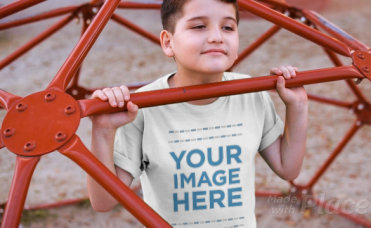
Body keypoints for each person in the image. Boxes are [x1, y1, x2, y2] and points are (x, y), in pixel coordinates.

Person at [87, 0, 308, 227]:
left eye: (228, 27)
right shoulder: (141, 107)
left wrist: (297, 107)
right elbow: (103, 202)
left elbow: (287, 167)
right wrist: (103, 131)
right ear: (168, 42)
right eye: (199, 26)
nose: (216, 37)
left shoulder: (251, 93)